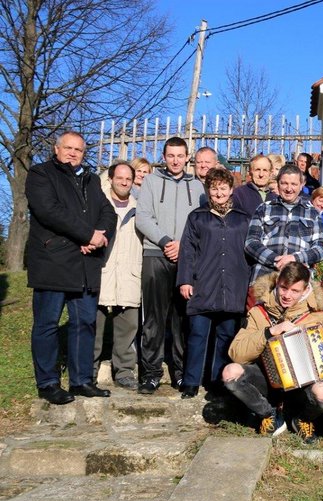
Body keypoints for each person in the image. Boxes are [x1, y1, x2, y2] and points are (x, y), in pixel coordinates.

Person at [25, 131, 117, 404]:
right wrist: (87, 235)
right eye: (68, 148)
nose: (73, 153)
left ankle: (81, 381)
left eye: (79, 150)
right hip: (53, 262)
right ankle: (48, 383)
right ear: (57, 149)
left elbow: (108, 212)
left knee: (84, 323)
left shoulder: (90, 180)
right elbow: (49, 211)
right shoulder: (41, 174)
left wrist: (99, 236)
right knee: (47, 324)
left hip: (85, 265)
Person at [224, 263, 323, 443]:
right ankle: (269, 414)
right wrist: (269, 332)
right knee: (230, 372)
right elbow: (236, 353)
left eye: (295, 291)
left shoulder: (318, 316)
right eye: (283, 288)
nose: (287, 295)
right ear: (277, 283)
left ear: (305, 290)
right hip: (267, 382)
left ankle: (302, 419)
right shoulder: (259, 312)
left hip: (302, 387)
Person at [136, 136, 206, 394]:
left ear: (187, 157)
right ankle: (151, 373)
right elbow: (142, 217)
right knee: (154, 318)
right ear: (164, 157)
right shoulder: (151, 182)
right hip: (156, 254)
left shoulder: (198, 186)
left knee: (181, 319)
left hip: (186, 260)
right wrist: (166, 241)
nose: (176, 160)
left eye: (180, 156)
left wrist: (184, 247)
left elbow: (201, 222)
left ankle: (179, 371)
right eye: (171, 156)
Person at [177, 168, 250, 399]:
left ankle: (218, 381)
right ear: (208, 190)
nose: (218, 192)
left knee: (225, 336)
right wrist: (185, 280)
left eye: (223, 188)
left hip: (233, 286)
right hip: (203, 284)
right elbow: (187, 251)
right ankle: (191, 381)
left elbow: (250, 252)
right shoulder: (197, 217)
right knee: (197, 335)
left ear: (231, 190)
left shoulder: (243, 218)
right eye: (214, 188)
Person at [94, 162, 142, 391]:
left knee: (128, 326)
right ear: (111, 179)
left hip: (130, 273)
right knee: (94, 325)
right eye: (120, 178)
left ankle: (123, 370)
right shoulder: (98, 204)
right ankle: (89, 369)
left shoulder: (139, 206)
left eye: (128, 179)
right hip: (102, 272)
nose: (124, 182)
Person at [245, 164, 323, 283]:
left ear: (301, 185)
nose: (289, 189)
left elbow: (321, 248)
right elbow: (251, 243)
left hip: (299, 282)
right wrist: (276, 260)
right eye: (284, 183)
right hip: (264, 279)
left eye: (294, 184)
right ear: (278, 184)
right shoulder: (263, 208)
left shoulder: (313, 213)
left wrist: (294, 259)